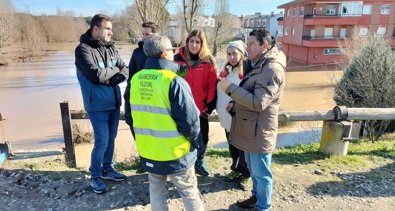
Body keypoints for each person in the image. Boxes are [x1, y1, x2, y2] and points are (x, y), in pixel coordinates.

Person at [130, 33, 204, 211]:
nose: (173, 53)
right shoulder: (173, 81)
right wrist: (195, 143)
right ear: (164, 53)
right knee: (189, 192)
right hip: (175, 153)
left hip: (149, 150)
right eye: (171, 50)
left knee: (156, 192)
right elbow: (191, 123)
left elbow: (130, 117)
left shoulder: (135, 79)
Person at [219, 29, 286, 210]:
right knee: (255, 171)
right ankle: (256, 198)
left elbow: (258, 103)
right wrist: (235, 103)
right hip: (251, 128)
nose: (247, 48)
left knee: (261, 173)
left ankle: (263, 206)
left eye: (251, 44)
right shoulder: (259, 63)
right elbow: (252, 91)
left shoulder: (271, 69)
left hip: (260, 130)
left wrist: (230, 88)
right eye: (247, 43)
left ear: (264, 46)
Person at [75, 14, 128, 194]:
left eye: (111, 29)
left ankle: (107, 169)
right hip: (96, 105)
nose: (111, 33)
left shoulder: (111, 48)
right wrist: (115, 71)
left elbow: (126, 69)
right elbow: (95, 75)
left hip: (113, 101)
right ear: (95, 29)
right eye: (107, 29)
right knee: (102, 141)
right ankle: (95, 176)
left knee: (111, 139)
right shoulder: (83, 50)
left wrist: (113, 78)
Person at [174, 29, 217, 176]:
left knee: (202, 138)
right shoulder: (177, 59)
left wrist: (208, 106)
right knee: (181, 136)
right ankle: (182, 163)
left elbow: (212, 86)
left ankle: (199, 161)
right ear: (187, 42)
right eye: (191, 41)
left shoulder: (209, 62)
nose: (194, 45)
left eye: (197, 42)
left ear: (202, 44)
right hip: (181, 108)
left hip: (201, 109)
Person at [124, 22, 158, 174]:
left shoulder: (160, 52)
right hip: (138, 97)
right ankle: (143, 160)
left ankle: (157, 161)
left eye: (147, 34)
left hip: (155, 98)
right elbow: (131, 76)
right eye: (143, 34)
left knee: (155, 130)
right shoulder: (136, 53)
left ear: (154, 35)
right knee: (138, 130)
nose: (144, 37)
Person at [216, 40, 250, 190]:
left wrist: (235, 105)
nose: (231, 57)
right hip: (226, 118)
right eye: (229, 54)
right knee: (232, 146)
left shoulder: (247, 72)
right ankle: (235, 169)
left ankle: (246, 174)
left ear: (241, 54)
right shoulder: (226, 71)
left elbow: (248, 94)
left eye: (234, 53)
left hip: (239, 117)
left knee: (242, 148)